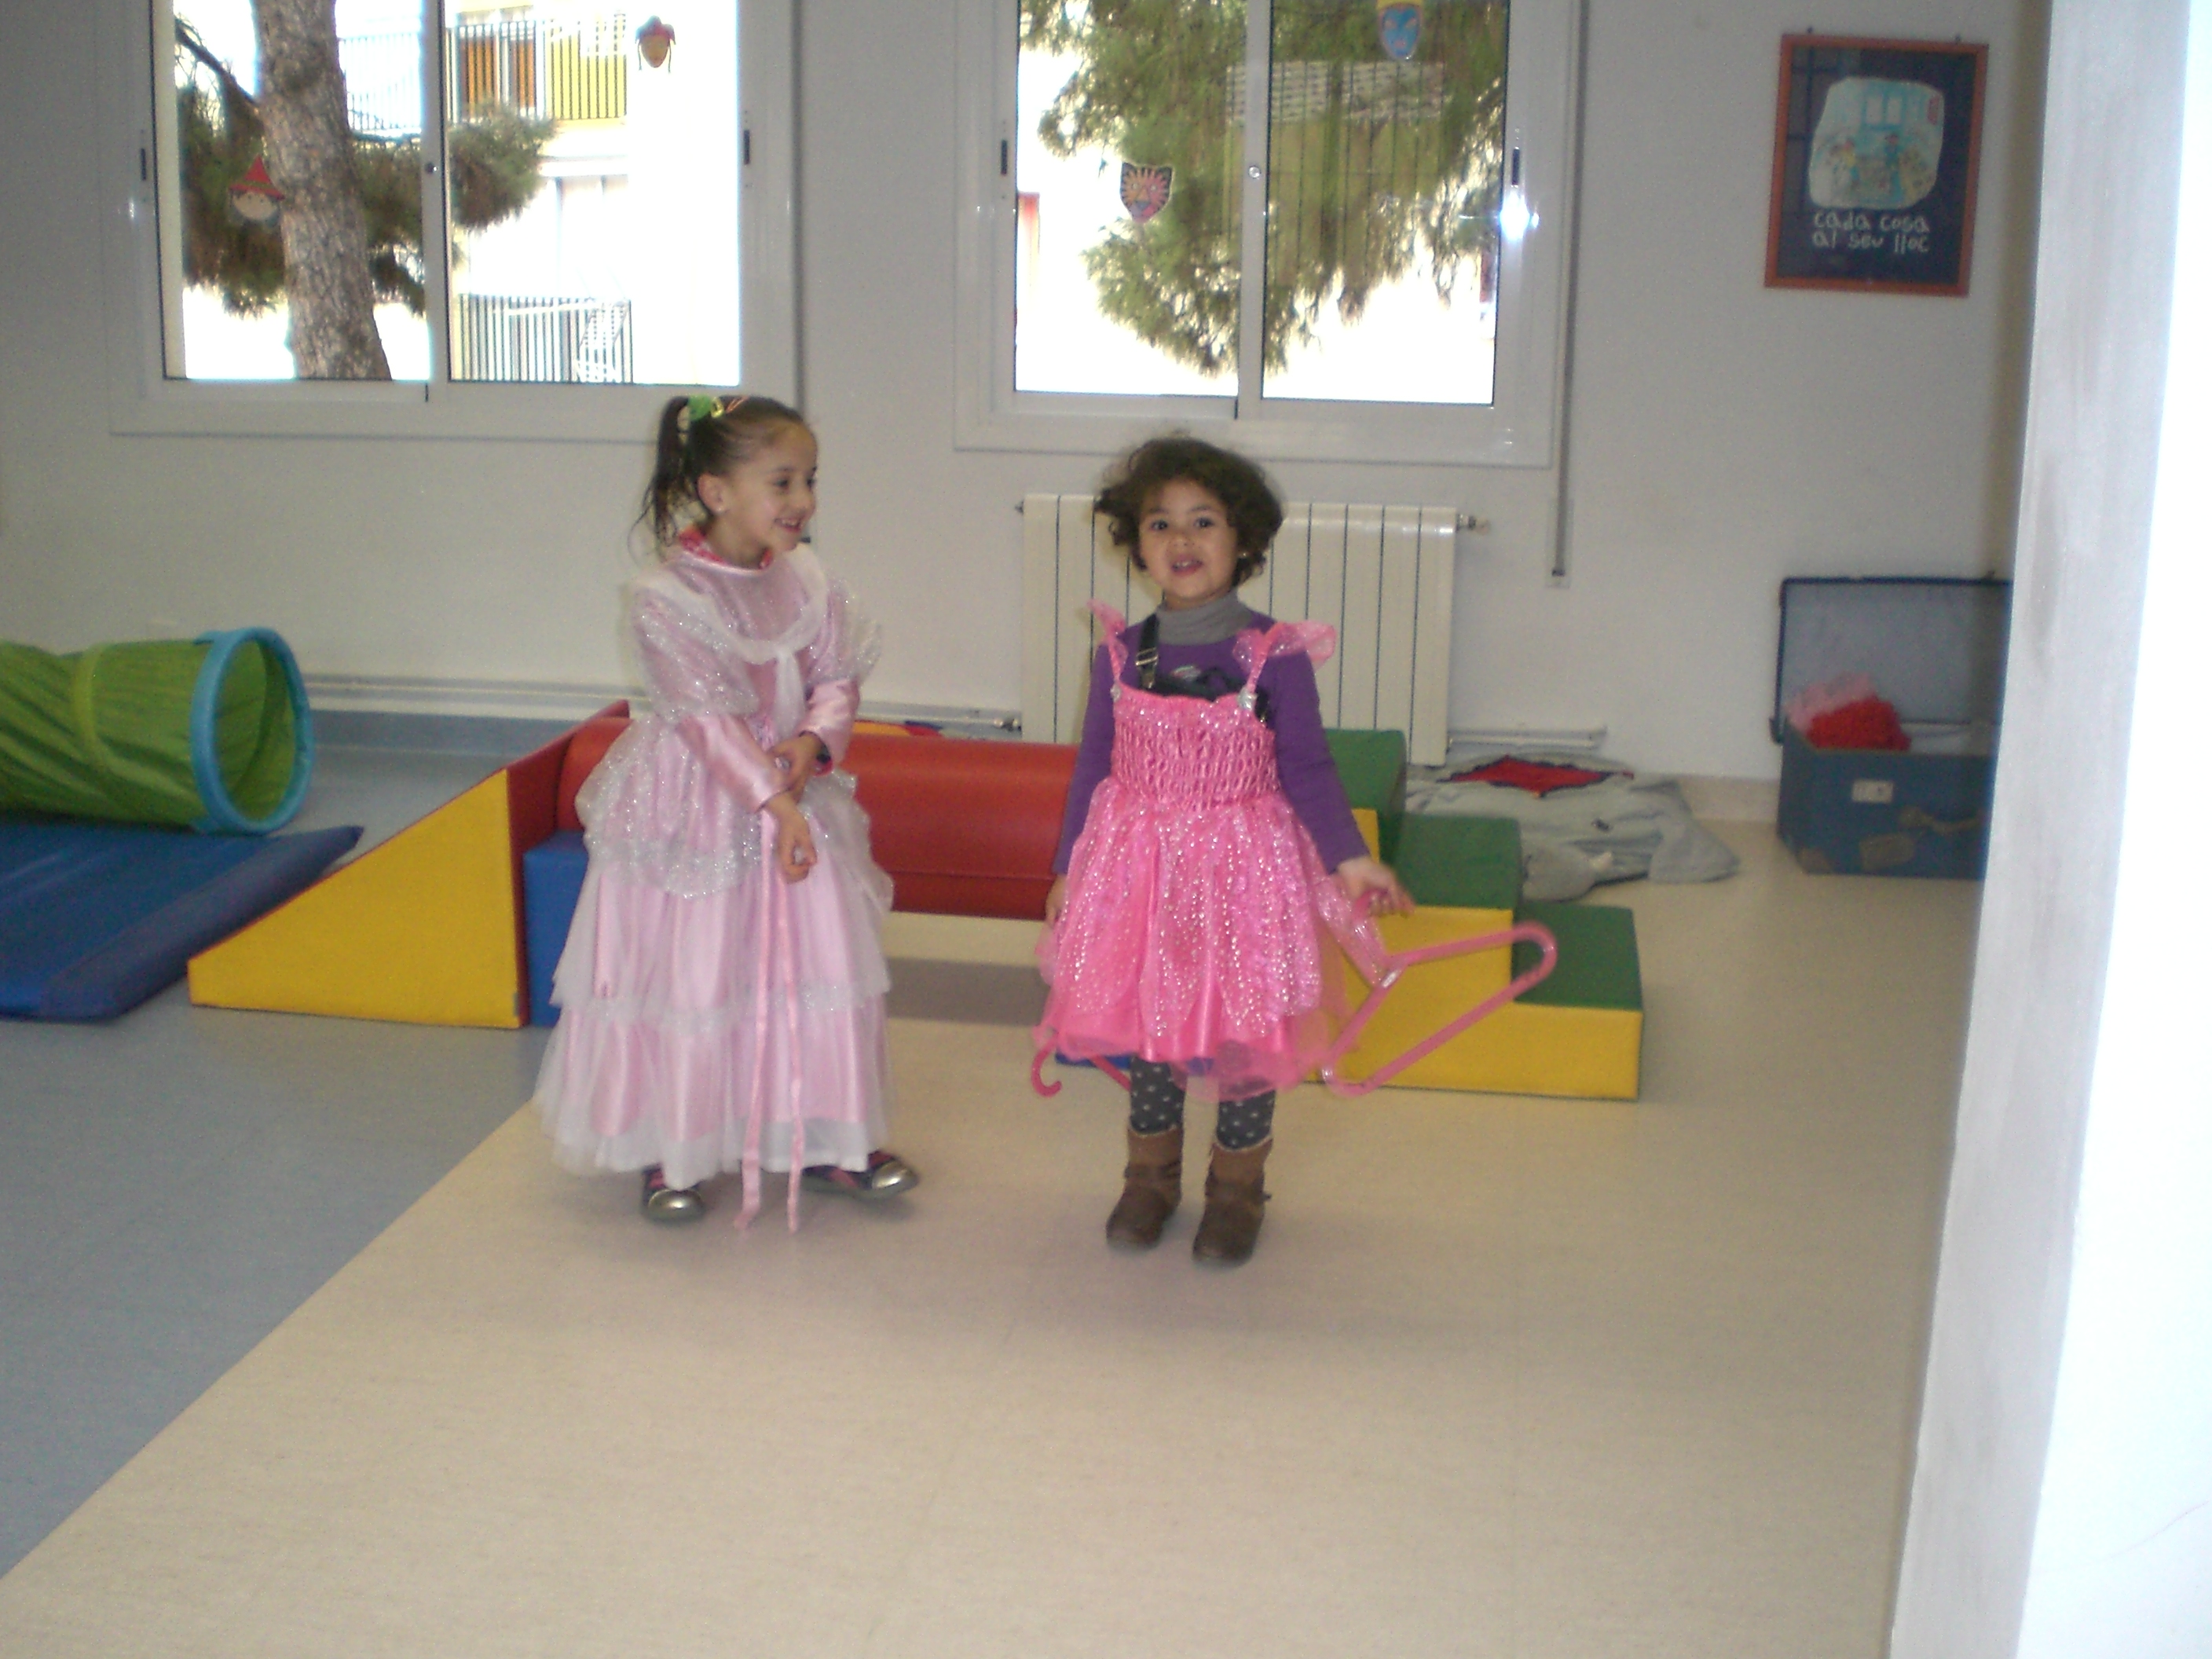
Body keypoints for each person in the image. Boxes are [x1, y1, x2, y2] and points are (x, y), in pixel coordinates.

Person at [532, 393, 917, 1229]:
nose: (803, 499)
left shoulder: (807, 578)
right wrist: (775, 804)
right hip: (701, 811)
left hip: (793, 792)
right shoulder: (666, 597)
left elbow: (836, 676)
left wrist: (813, 744)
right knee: (697, 971)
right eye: (781, 481)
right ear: (715, 491)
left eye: (809, 479)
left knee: (815, 965)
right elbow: (706, 722)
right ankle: (674, 1145)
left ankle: (826, 1137)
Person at [1037, 434, 1412, 1266]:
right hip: (1142, 875)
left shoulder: (1274, 655)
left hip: (1246, 875)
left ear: (1242, 539)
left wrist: (1350, 858)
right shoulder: (1119, 655)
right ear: (1136, 545)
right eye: (1159, 523)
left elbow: (1308, 768)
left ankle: (1237, 1191)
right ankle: (1149, 1179)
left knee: (1246, 1032)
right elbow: (1093, 767)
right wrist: (1070, 868)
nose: (1181, 539)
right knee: (1151, 1024)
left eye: (1203, 521)